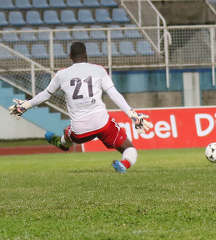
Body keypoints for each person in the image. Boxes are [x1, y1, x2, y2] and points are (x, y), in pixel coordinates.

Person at [8, 42, 152, 173]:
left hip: (80, 129)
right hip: (102, 124)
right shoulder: (98, 70)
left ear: (70, 56)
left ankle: (60, 142)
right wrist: (133, 115)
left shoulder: (62, 74)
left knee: (67, 137)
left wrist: (25, 105)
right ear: (86, 55)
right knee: (129, 147)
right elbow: (114, 94)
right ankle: (124, 164)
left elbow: (46, 94)